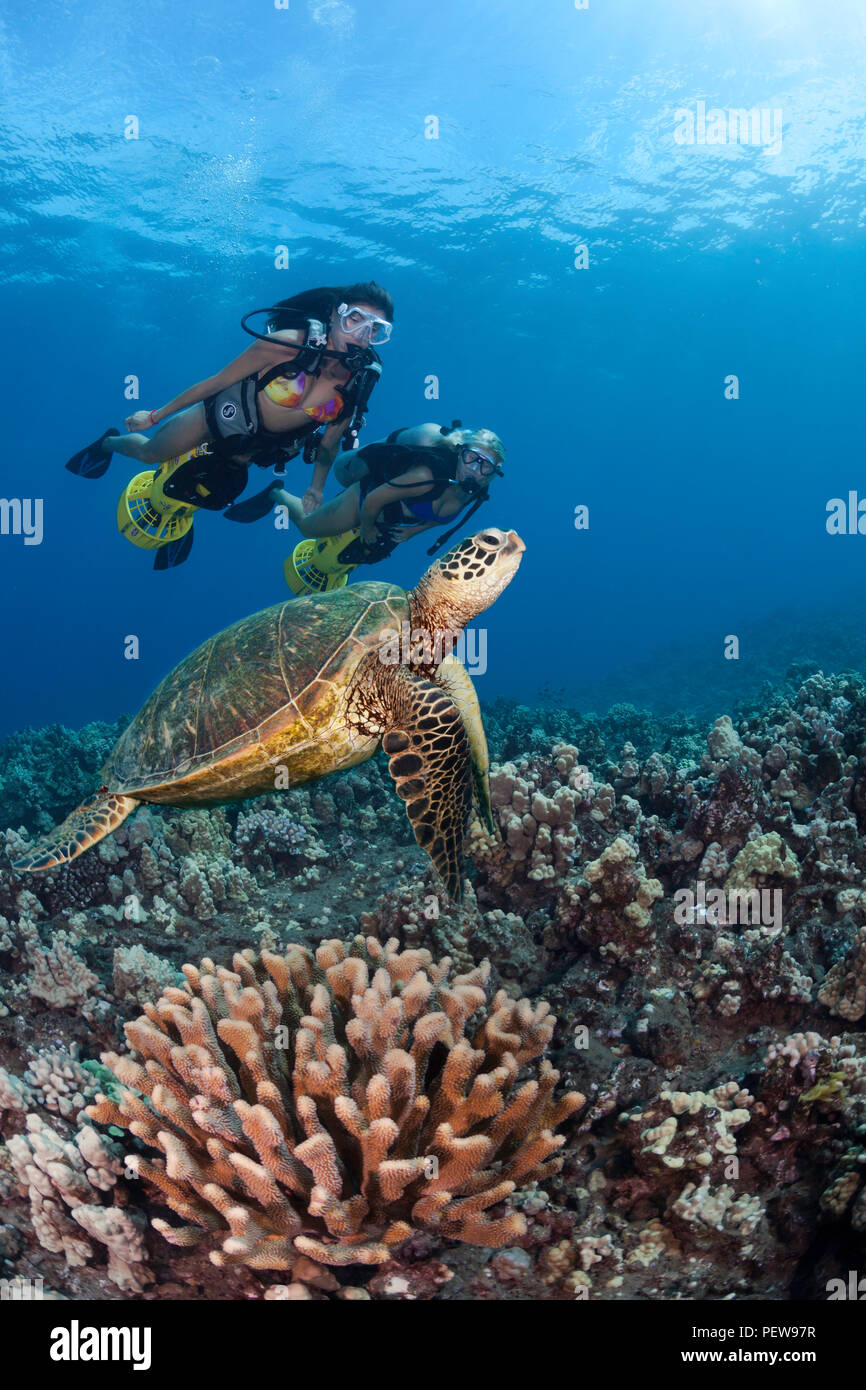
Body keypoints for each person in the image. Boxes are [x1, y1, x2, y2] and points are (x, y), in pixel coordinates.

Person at [65, 283, 394, 516]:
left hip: (262, 445)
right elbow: (218, 381)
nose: (363, 334)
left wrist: (316, 488)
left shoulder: (358, 382)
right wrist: (155, 416)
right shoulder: (287, 344)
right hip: (219, 418)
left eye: (375, 329)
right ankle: (108, 444)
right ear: (335, 315)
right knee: (150, 453)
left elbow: (329, 444)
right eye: (355, 319)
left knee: (217, 489)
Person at [276, 422, 506, 563]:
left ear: (492, 473)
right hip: (366, 499)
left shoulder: (476, 488)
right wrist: (367, 527)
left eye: (485, 466)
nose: (475, 470)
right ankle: (276, 494)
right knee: (307, 528)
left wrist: (414, 531)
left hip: (393, 515)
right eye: (471, 458)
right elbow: (375, 499)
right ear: (459, 452)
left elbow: (443, 518)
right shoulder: (426, 477)